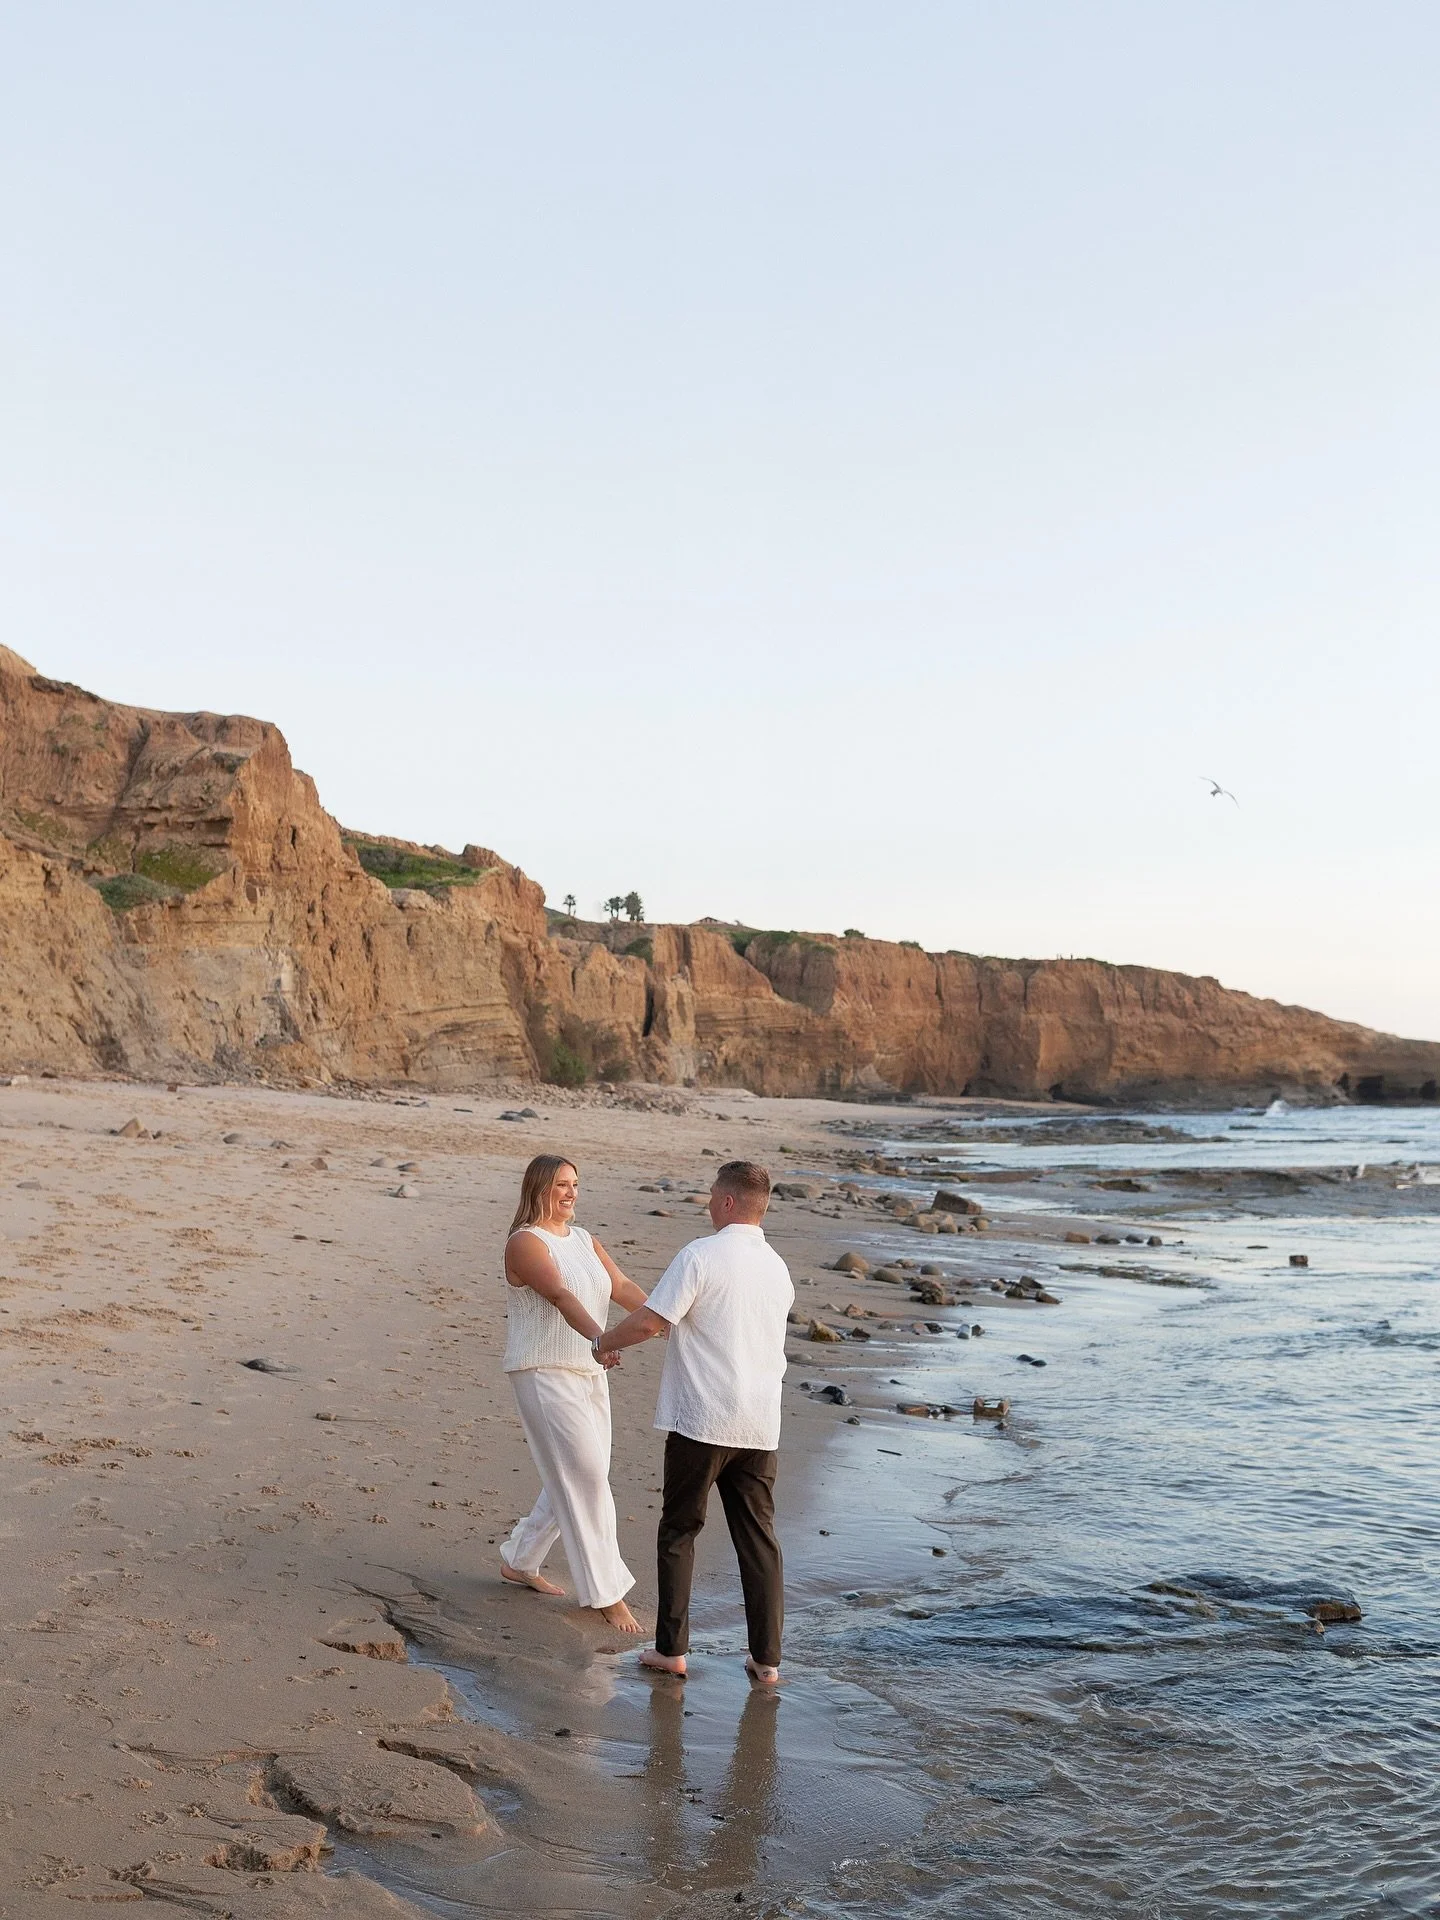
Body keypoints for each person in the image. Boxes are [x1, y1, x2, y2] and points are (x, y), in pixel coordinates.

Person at [596, 1160, 792, 1685]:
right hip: (758, 1424)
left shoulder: (701, 1255)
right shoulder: (777, 1267)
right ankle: (767, 1660)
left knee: (680, 1530)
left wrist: (602, 1344)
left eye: (711, 1195)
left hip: (702, 1420)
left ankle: (671, 1650)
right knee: (758, 1539)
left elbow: (653, 1321)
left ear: (728, 1202)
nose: (707, 1203)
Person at [500, 1153, 650, 1633]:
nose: (572, 1193)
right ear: (539, 1187)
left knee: (580, 1469)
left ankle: (520, 1559)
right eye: (562, 1184)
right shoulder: (525, 1242)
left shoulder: (586, 1240)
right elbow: (562, 1296)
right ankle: (606, 1593)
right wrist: (600, 1340)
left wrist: (668, 1316)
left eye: (576, 1184)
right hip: (544, 1371)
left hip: (588, 1370)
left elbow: (621, 1286)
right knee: (586, 1475)